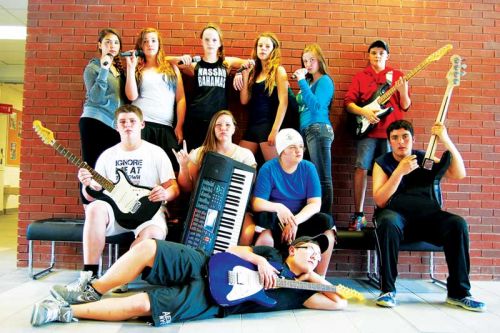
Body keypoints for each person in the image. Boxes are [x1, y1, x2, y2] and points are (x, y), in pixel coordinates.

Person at [31, 234, 348, 327]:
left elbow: (340, 303)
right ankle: (91, 290)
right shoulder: (271, 252)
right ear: (293, 248)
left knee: (144, 305)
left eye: (319, 257)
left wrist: (311, 275)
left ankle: (63, 312)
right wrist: (261, 260)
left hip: (212, 302)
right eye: (310, 252)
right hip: (206, 262)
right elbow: (234, 249)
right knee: (147, 248)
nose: (315, 256)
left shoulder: (300, 291)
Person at [372, 119, 485, 312]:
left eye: (405, 137)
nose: (401, 142)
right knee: (388, 221)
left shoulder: (425, 159)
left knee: (457, 224)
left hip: (427, 219)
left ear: (413, 139)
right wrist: (399, 172)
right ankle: (387, 290)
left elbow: (459, 173)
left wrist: (445, 139)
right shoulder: (382, 163)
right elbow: (380, 200)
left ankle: (459, 293)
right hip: (397, 218)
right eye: (395, 138)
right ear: (390, 142)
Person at [76, 104, 180, 280]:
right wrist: (87, 185)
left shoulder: (156, 153)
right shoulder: (107, 156)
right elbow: (90, 197)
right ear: (116, 127)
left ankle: (115, 277)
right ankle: (89, 275)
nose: (127, 125)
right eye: (122, 122)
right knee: (95, 209)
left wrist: (165, 194)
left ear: (142, 124)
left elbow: (174, 188)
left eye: (132, 121)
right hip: (115, 212)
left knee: (152, 236)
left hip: (149, 212)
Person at [344, 40, 411, 231]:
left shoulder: (397, 76)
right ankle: (359, 215)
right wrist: (364, 112)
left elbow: (405, 106)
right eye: (374, 52)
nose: (377, 56)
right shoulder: (360, 77)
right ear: (369, 55)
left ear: (387, 56)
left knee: (392, 171)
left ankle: (386, 213)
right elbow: (348, 103)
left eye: (381, 53)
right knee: (361, 167)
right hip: (368, 131)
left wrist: (403, 90)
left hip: (392, 133)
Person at [251, 128, 335, 276]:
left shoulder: (308, 168)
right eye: (293, 147)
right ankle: (263, 276)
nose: (299, 150)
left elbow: (315, 204)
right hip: (276, 222)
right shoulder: (269, 168)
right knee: (264, 219)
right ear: (282, 151)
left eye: (301, 146)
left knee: (327, 223)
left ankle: (320, 280)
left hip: (300, 220)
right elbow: (257, 203)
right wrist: (279, 207)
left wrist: (294, 221)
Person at [172, 110, 257, 245]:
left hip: (234, 206)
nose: (223, 128)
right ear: (213, 128)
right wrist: (183, 166)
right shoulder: (200, 152)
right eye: (218, 125)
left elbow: (249, 189)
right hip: (204, 206)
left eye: (227, 125)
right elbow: (188, 188)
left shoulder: (245, 155)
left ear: (234, 128)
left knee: (247, 233)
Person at [172, 23, 251, 151]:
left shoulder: (226, 63)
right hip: (195, 120)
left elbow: (249, 63)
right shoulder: (194, 65)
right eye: (207, 39)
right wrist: (182, 58)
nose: (210, 43)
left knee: (215, 158)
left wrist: (239, 72)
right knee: (195, 158)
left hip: (218, 122)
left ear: (219, 43)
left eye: (214, 40)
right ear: (201, 42)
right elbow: (166, 61)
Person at [125, 27, 186, 170]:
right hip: (142, 125)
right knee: (141, 169)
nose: (149, 44)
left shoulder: (172, 68)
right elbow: (131, 96)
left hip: (165, 126)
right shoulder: (137, 68)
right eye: (145, 41)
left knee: (171, 168)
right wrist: (130, 68)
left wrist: (179, 125)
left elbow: (181, 99)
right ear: (141, 46)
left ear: (159, 44)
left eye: (153, 40)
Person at [79, 28, 125, 204]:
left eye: (115, 42)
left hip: (112, 124)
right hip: (94, 121)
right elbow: (96, 98)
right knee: (90, 166)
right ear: (99, 45)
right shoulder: (93, 67)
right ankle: (88, 205)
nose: (112, 46)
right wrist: (104, 68)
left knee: (109, 166)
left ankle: (106, 204)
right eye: (107, 42)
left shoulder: (119, 70)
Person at [292, 43, 335, 215]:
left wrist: (301, 81)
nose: (308, 64)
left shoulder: (324, 80)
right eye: (305, 61)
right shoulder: (309, 82)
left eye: (312, 60)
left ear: (320, 61)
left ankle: (326, 221)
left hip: (319, 129)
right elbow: (299, 104)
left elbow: (316, 106)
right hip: (307, 132)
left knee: (323, 178)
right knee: (312, 178)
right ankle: (313, 216)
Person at [234, 32, 289, 162]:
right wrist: (245, 75)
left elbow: (284, 103)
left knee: (275, 170)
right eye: (260, 45)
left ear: (273, 50)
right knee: (238, 165)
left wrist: (275, 130)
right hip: (252, 126)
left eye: (267, 46)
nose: (263, 48)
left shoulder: (278, 71)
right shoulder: (254, 72)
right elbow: (244, 100)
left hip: (268, 127)